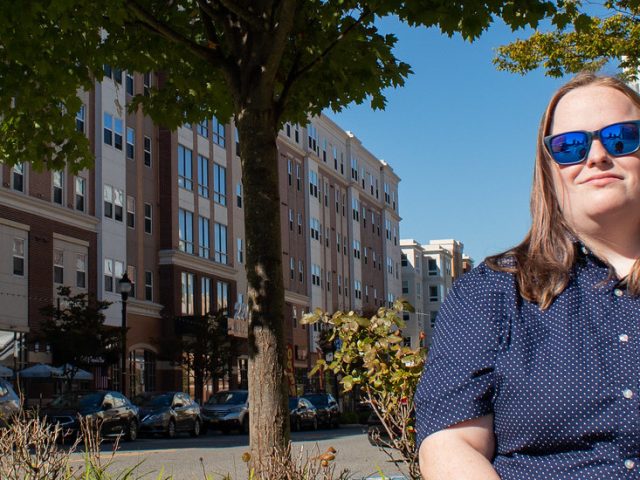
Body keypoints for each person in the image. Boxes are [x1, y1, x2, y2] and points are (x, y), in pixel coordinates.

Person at [415, 72, 640, 479]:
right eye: (571, 146)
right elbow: (449, 444)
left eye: (622, 136)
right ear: (549, 171)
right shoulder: (492, 292)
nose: (597, 155)